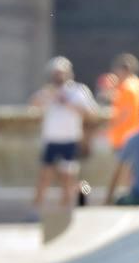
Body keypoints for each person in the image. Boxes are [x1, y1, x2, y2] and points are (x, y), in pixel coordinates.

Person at [31, 57, 99, 209]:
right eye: (56, 73)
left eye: (61, 73)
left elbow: (91, 113)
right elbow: (34, 105)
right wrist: (48, 96)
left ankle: (67, 208)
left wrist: (68, 103)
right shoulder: (47, 91)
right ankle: (36, 209)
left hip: (70, 139)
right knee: (44, 175)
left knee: (68, 176)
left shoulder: (77, 91)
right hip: (51, 139)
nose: (58, 76)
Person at [104, 53, 139, 155]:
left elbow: (125, 113)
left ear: (124, 70)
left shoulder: (127, 88)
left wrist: (108, 128)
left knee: (125, 170)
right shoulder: (137, 84)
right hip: (135, 136)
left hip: (124, 138)